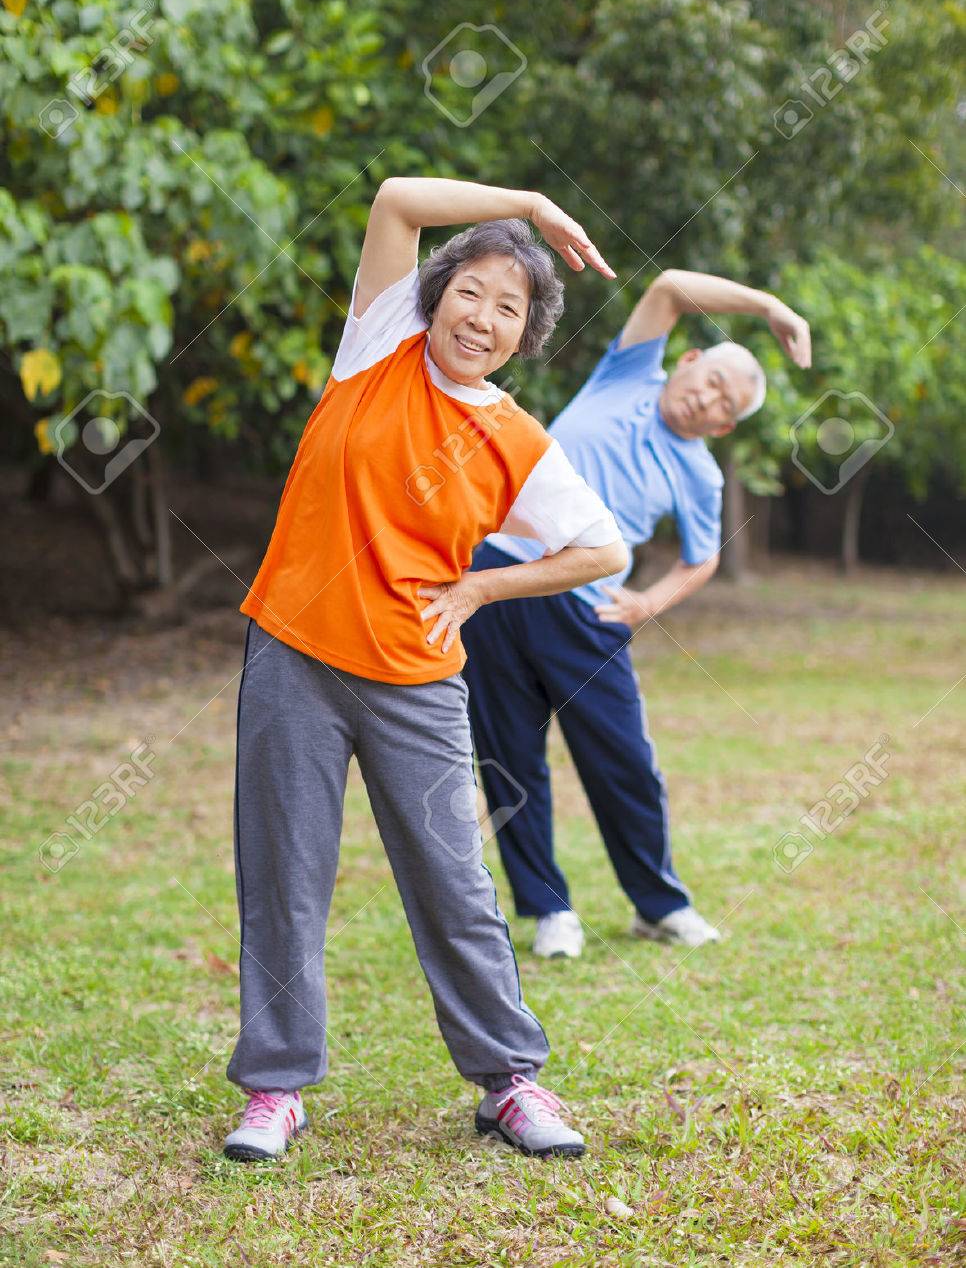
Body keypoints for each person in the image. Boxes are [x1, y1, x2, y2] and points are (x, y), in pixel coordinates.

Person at [220, 174, 629, 1162]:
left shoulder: (517, 442)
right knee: (285, 875)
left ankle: (508, 1083)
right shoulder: (375, 349)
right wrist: (533, 203)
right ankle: (276, 1087)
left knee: (455, 881)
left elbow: (602, 550)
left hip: (415, 679)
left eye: (509, 307)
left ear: (525, 334)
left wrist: (482, 591)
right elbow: (399, 198)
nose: (482, 317)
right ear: (433, 296)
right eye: (470, 291)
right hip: (294, 656)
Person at [462, 269, 811, 958]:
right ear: (686, 361)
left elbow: (701, 557)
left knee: (623, 760)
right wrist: (770, 303)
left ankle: (659, 904)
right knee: (509, 756)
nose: (706, 398)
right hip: (499, 576)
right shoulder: (624, 375)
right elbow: (672, 286)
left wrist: (649, 602)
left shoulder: (700, 475)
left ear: (725, 424)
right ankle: (547, 909)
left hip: (590, 611)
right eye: (708, 378)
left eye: (724, 403)